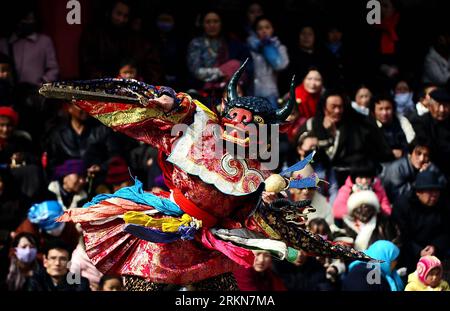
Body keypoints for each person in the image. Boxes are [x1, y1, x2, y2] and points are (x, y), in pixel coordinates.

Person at [300, 91, 394, 186]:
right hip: (319, 176)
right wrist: (327, 135)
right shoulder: (312, 125)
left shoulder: (359, 126)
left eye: (340, 107)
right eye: (333, 107)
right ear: (324, 108)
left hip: (355, 178)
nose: (337, 111)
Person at [392, 170, 450, 272]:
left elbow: (446, 230)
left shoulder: (443, 203)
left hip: (436, 254)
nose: (434, 195)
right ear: (418, 192)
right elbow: (401, 235)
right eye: (430, 191)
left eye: (437, 191)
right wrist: (418, 251)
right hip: (408, 255)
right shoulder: (402, 205)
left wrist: (435, 246)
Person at [186, 9, 249, 98]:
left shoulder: (231, 43)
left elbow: (240, 67)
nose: (212, 25)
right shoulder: (196, 43)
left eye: (215, 21)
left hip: (227, 92)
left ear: (221, 23)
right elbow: (196, 71)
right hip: (202, 92)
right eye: (208, 22)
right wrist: (221, 72)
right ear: (202, 24)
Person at [0, 7, 59, 86]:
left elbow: (53, 68)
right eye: (25, 19)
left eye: (30, 19)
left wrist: (42, 83)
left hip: (36, 93)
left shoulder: (44, 41)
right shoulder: (4, 43)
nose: (27, 22)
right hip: (11, 94)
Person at [381, 138, 445, 202]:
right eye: (418, 153)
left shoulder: (428, 166)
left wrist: (429, 173)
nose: (421, 159)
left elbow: (443, 182)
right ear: (410, 153)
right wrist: (421, 178)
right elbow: (400, 197)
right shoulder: (397, 169)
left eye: (426, 155)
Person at [247, 16, 289, 108]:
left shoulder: (279, 47)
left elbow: (279, 65)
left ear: (272, 29)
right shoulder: (249, 47)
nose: (264, 31)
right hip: (250, 92)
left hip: (270, 94)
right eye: (260, 28)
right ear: (255, 31)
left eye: (267, 27)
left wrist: (267, 47)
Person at [14, 200, 80, 253]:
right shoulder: (28, 229)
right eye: (57, 226)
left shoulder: (68, 224)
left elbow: (75, 245)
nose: (62, 227)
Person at [25, 240, 90, 291]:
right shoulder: (35, 281)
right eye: (53, 258)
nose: (57, 263)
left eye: (63, 259)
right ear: (45, 261)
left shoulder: (80, 284)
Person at [412, 87, 450, 176]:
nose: (442, 110)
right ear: (430, 106)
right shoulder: (420, 122)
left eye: (446, 105)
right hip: (431, 167)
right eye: (438, 105)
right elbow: (426, 146)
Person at [370, 93, 415, 159]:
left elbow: (411, 142)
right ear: (373, 112)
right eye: (380, 109)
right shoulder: (369, 127)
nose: (384, 113)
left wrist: (402, 152)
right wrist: (390, 152)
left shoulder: (402, 122)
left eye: (387, 108)